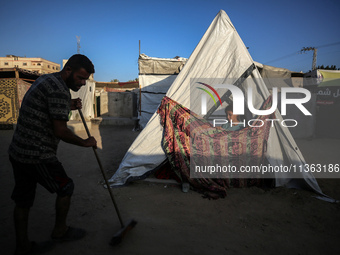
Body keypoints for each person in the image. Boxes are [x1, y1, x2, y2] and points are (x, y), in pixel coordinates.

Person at [8, 54, 97, 255]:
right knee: (66, 187)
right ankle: (60, 230)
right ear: (68, 71)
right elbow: (61, 131)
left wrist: (68, 105)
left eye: (85, 80)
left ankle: (22, 247)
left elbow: (48, 106)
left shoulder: (48, 79)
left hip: (18, 150)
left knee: (23, 200)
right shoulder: (59, 91)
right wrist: (85, 142)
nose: (83, 84)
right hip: (36, 154)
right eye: (80, 78)